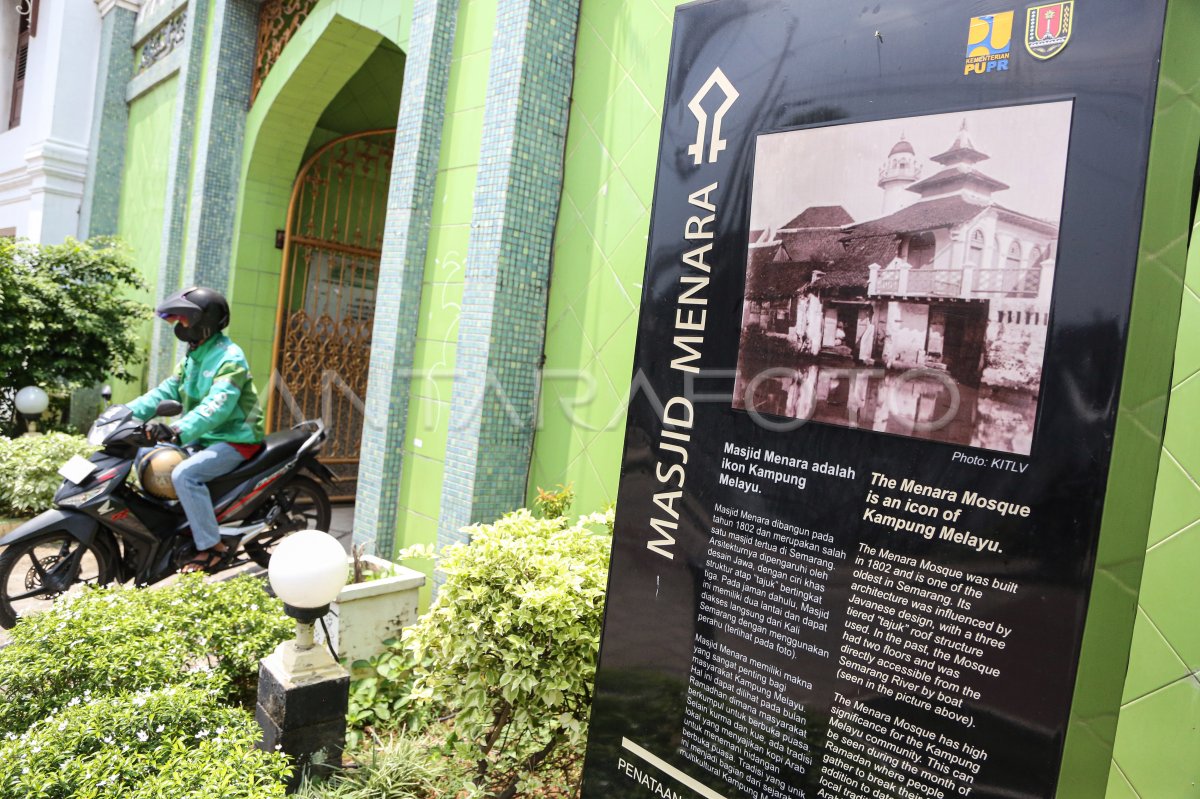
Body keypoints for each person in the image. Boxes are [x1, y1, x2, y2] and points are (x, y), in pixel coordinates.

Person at [128, 286, 265, 573]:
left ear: (205, 321)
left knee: (184, 474)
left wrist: (177, 429)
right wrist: (126, 412)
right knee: (147, 457)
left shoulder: (230, 357)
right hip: (204, 437)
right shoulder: (194, 354)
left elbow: (219, 405)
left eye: (184, 320)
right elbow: (167, 391)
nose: (180, 326)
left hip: (236, 438)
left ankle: (211, 547)